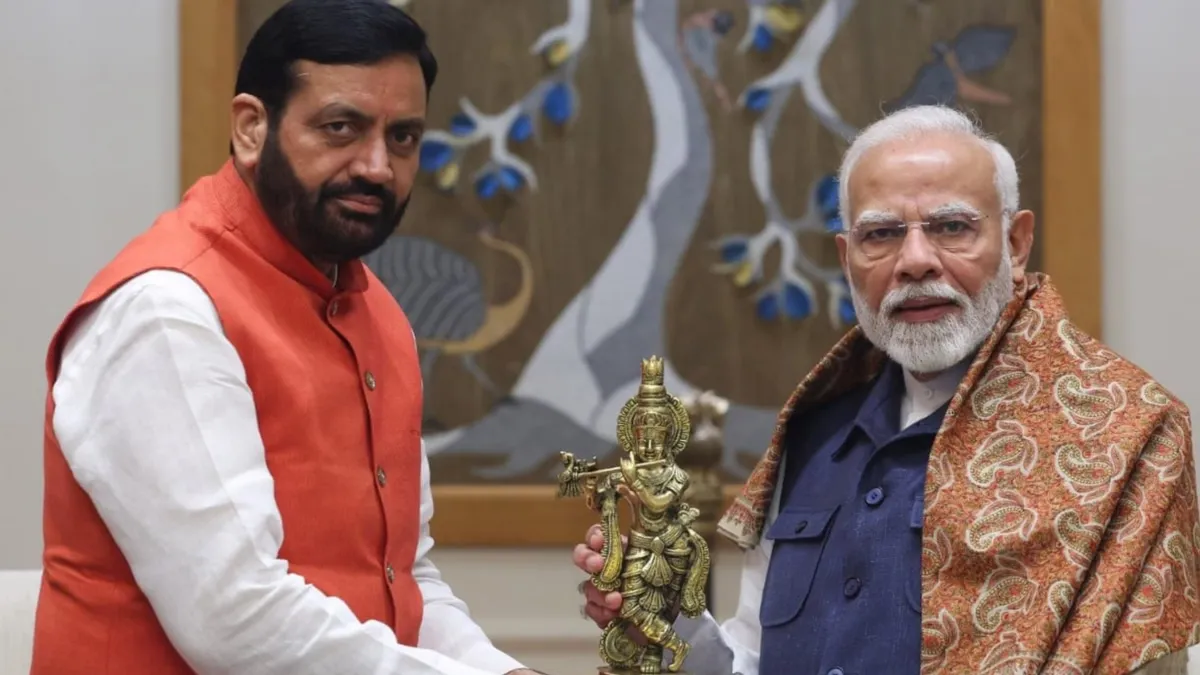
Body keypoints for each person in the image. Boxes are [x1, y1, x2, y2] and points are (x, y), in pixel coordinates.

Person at [575, 105, 1200, 675]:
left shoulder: (1128, 437)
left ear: (1015, 242)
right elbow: (756, 662)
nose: (916, 260)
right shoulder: (815, 430)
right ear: (848, 257)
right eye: (882, 234)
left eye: (952, 227)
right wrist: (668, 618)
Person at [31, 1, 543, 674]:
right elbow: (235, 619)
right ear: (251, 128)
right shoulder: (165, 309)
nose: (377, 167)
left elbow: (403, 579)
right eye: (341, 128)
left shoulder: (377, 311)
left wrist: (500, 668)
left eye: (403, 138)